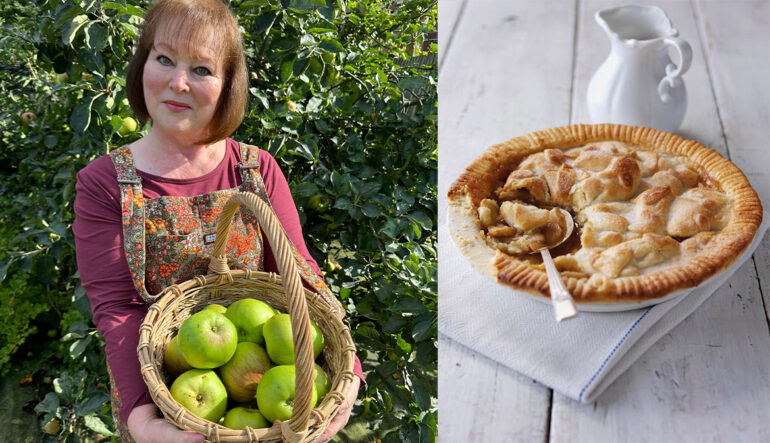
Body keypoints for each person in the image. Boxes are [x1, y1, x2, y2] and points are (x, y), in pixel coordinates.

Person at [72, 0, 362, 441]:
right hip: (163, 396)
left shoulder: (255, 169)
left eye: (202, 69)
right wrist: (143, 421)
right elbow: (117, 309)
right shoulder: (105, 183)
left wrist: (350, 372)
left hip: (265, 408)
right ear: (143, 63)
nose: (178, 82)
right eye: (164, 58)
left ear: (228, 84)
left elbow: (298, 270)